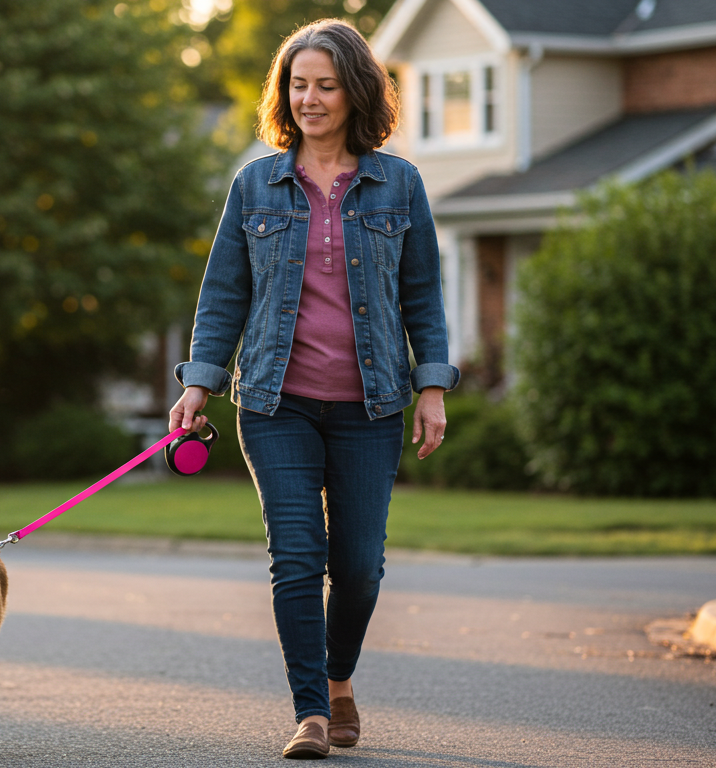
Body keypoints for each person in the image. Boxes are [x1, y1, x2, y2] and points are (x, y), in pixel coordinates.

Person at [168, 18, 459, 760]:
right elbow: (223, 296)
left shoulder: (399, 183)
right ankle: (311, 714)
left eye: (326, 85)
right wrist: (199, 384)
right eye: (298, 85)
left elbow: (423, 295)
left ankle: (337, 679)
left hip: (370, 404)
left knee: (360, 566)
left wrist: (432, 387)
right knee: (297, 555)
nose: (310, 99)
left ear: (356, 90)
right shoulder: (254, 184)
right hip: (275, 403)